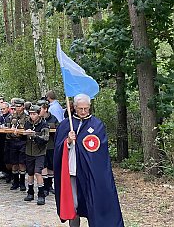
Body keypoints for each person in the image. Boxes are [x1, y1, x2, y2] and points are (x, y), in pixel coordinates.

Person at [54, 94, 124, 227]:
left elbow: (101, 153)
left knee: (93, 201)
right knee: (73, 203)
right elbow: (57, 149)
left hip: (91, 172)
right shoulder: (65, 125)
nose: (84, 111)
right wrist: (67, 141)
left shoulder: (97, 125)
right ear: (74, 107)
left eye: (86, 108)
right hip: (72, 170)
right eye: (80, 108)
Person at [23, 105, 49, 205]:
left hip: (40, 152)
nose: (32, 116)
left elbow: (45, 139)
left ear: (38, 114)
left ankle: (41, 194)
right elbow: (23, 138)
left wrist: (34, 135)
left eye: (34, 114)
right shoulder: (27, 123)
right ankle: (30, 192)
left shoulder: (43, 125)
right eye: (30, 114)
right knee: (30, 173)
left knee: (38, 172)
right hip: (28, 152)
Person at [37, 99, 59, 196]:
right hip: (40, 147)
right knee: (43, 166)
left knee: (51, 166)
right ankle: (45, 187)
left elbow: (59, 130)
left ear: (45, 109)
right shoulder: (37, 120)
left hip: (50, 146)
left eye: (40, 109)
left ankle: (50, 185)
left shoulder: (53, 119)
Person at [6, 98, 29, 191]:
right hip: (13, 141)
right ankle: (15, 181)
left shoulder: (27, 117)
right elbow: (7, 128)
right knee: (14, 163)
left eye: (19, 106)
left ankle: (22, 182)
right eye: (16, 106)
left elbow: (28, 129)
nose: (18, 108)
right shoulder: (11, 116)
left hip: (22, 141)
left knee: (22, 163)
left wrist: (20, 132)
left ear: (23, 106)